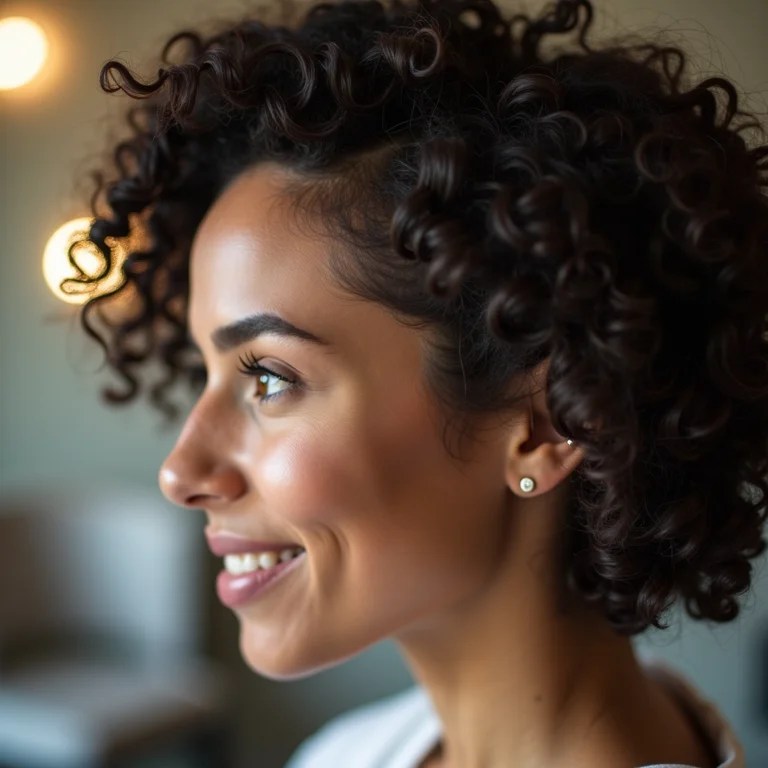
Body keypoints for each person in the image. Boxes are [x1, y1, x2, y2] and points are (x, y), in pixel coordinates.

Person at [74, 0, 768, 765]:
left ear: (543, 425)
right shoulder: (346, 753)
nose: (180, 473)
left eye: (269, 379)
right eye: (206, 368)